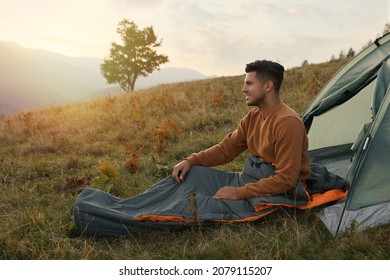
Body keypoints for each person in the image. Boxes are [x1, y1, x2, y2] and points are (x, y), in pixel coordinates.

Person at [172, 59, 311, 200]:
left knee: (198, 205)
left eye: (249, 83)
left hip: (280, 192)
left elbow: (286, 180)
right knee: (192, 174)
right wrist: (191, 161)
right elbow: (226, 149)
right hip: (250, 180)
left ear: (268, 86)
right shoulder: (253, 117)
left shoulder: (287, 122)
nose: (243, 89)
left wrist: (239, 193)